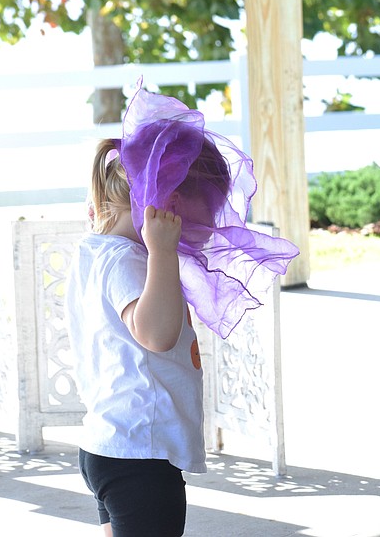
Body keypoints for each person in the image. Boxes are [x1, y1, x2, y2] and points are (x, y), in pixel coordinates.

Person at [66, 85, 298, 537]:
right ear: (167, 202)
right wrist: (162, 253)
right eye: (203, 216)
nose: (206, 230)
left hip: (112, 445)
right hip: (140, 453)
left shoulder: (98, 251)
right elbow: (155, 334)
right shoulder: (132, 260)